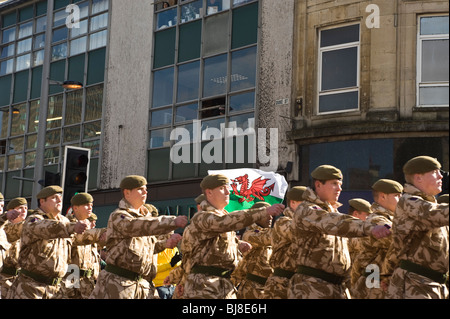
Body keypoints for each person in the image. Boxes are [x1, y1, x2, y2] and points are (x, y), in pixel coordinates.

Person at [288, 165, 391, 299]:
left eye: (341, 184)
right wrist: (371, 227)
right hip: (312, 287)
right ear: (318, 185)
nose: (339, 189)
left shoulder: (333, 211)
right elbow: (335, 222)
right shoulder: (307, 209)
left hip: (337, 287)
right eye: (334, 184)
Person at [180, 174, 284, 299]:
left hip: (225, 286)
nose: (227, 192)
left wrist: (238, 245)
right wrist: (263, 212)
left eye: (227, 188)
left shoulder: (223, 218)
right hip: (204, 287)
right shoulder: (203, 217)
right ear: (209, 193)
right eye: (222, 188)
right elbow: (224, 222)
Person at [89, 175, 188, 299]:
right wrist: (172, 221)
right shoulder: (119, 216)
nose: (145, 192)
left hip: (143, 285)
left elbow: (145, 248)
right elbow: (136, 226)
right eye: (140, 189)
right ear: (127, 193)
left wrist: (164, 244)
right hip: (119, 284)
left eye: (145, 189)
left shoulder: (145, 218)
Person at [6, 186, 88, 299]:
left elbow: (77, 244)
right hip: (32, 287)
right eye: (54, 198)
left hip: (57, 289)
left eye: (60, 198)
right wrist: (71, 227)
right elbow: (46, 227)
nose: (59, 201)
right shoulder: (34, 220)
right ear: (42, 201)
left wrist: (103, 235)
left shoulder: (64, 221)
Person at [385, 156, 449, 299]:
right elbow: (434, 214)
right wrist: (383, 276)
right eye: (434, 172)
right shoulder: (408, 202)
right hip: (414, 285)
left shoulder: (431, 205)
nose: (440, 176)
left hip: (432, 285)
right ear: (418, 178)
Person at [350, 180, 403, 299]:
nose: (401, 199)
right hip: (374, 281)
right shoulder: (377, 220)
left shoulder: (393, 218)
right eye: (397, 196)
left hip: (383, 281)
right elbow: (396, 238)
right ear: (383, 196)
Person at [263, 186, 306, 299]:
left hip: (300, 284)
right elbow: (298, 232)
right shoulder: (283, 222)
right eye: (305, 203)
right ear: (293, 203)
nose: (310, 208)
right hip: (281, 285)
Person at [63, 193, 106, 299]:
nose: (90, 207)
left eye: (91, 205)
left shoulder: (88, 228)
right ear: (76, 208)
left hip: (88, 282)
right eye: (86, 205)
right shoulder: (67, 226)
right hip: (72, 279)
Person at [233, 202, 273, 299]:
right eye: (267, 215)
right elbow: (268, 237)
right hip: (252, 290)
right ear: (257, 217)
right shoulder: (250, 234)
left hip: (269, 289)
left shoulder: (270, 233)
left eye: (271, 215)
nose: (271, 218)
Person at [0, 198, 28, 298]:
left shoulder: (25, 232)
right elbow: (15, 230)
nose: (24, 210)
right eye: (20, 208)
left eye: (26, 208)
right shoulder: (5, 227)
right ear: (11, 211)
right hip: (4, 279)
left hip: (19, 279)